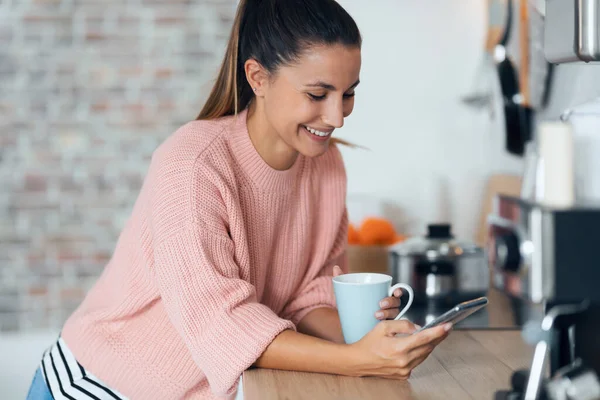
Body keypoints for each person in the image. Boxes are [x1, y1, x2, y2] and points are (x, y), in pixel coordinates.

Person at [26, 0, 452, 399]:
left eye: (349, 93)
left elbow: (308, 293)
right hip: (98, 386)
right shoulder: (192, 165)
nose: (337, 117)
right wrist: (356, 361)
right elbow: (221, 325)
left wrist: (364, 337)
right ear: (258, 78)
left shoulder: (326, 166)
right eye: (317, 95)